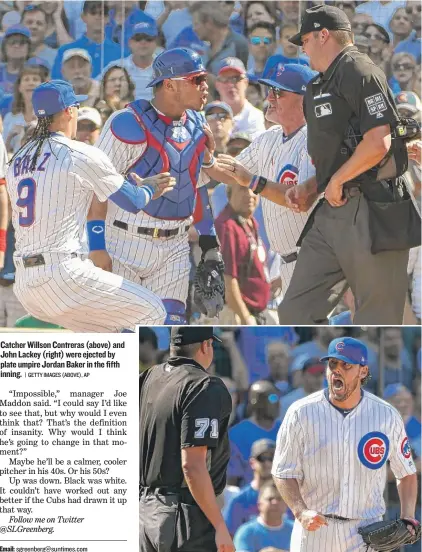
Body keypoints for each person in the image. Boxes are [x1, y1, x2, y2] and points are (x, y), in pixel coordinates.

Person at [277, 4, 413, 324]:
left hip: (374, 206)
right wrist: (313, 186)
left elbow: (378, 141)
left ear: (324, 35)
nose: (303, 47)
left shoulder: (358, 69)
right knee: (295, 311)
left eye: (306, 39)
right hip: (333, 208)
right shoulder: (318, 85)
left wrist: (336, 181)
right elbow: (339, 151)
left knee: (376, 317)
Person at [6, 79, 176, 332]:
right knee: (152, 310)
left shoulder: (18, 158)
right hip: (62, 272)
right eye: (75, 107)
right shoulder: (78, 152)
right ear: (68, 111)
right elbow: (133, 201)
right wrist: (150, 187)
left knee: (104, 334)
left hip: (25, 282)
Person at [90, 48, 225, 325]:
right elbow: (98, 186)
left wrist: (209, 243)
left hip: (174, 245)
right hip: (122, 242)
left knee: (171, 331)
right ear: (170, 84)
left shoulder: (199, 124)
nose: (205, 86)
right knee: (124, 335)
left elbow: (195, 187)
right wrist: (96, 245)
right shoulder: (126, 122)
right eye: (196, 79)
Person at [272, 336, 419, 552]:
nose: (336, 371)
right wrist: (300, 511)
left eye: (346, 365)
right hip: (316, 530)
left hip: (367, 531)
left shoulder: (386, 415)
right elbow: (282, 471)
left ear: (363, 371)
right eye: (332, 364)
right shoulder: (300, 412)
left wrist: (407, 515)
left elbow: (406, 472)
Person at [215, 63, 317, 292]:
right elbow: (227, 173)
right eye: (270, 90)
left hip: (314, 260)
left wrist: (252, 181)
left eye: (278, 92)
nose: (269, 97)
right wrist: (201, 156)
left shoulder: (314, 140)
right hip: (287, 261)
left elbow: (300, 200)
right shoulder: (268, 138)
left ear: (304, 100)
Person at [139, 326, 234, 552]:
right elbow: (192, 465)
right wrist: (219, 525)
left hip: (143, 512)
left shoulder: (148, 377)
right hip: (182, 517)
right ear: (206, 345)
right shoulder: (203, 385)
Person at [215, 183, 271, 326]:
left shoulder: (248, 221)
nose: (250, 194)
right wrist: (246, 318)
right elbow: (227, 280)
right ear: (229, 194)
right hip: (237, 315)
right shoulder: (226, 226)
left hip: (255, 313)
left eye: (254, 189)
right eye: (242, 189)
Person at [228, 380, 281, 486]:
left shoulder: (286, 429)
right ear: (256, 401)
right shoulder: (236, 434)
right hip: (251, 497)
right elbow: (232, 480)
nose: (278, 403)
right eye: (272, 398)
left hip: (282, 498)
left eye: (278, 398)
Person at [51, 1, 122, 80]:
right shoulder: (65, 51)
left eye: (103, 13)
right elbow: (56, 84)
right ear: (83, 17)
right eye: (93, 13)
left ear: (108, 18)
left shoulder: (121, 53)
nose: (98, 17)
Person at [224, 439, 276, 536]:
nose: (267, 463)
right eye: (262, 458)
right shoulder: (239, 500)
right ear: (252, 463)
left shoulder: (287, 498)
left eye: (271, 458)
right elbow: (229, 537)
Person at [233, 481, 293, 552]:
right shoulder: (246, 532)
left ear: (286, 504)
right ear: (259, 504)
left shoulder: (295, 530)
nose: (275, 502)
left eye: (279, 499)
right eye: (270, 499)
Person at [190, 3, 249, 74]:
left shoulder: (238, 44)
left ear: (209, 23)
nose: (194, 29)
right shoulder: (204, 48)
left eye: (196, 24)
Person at [215, 58, 265, 139]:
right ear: (217, 85)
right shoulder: (209, 116)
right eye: (225, 79)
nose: (230, 84)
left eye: (236, 78)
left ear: (245, 83)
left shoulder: (257, 118)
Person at [3, 64, 45, 154]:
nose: (31, 83)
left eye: (35, 79)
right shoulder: (10, 118)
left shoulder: (49, 116)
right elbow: (3, 153)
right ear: (19, 87)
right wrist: (10, 136)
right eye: (26, 79)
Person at [0, 24, 31, 95]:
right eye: (12, 42)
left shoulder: (36, 72)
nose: (16, 46)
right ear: (4, 47)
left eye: (22, 42)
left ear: (29, 48)